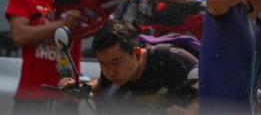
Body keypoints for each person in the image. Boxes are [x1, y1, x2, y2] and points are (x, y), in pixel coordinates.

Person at [5, 0, 85, 115]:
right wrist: (62, 25)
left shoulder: (78, 0)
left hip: (68, 100)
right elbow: (20, 36)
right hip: (32, 98)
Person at [58, 20, 199, 114]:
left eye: (115, 63)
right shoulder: (116, 73)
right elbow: (101, 83)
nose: (110, 73)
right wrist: (81, 87)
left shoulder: (173, 59)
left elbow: (211, 93)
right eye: (103, 64)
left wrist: (189, 112)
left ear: (137, 54)